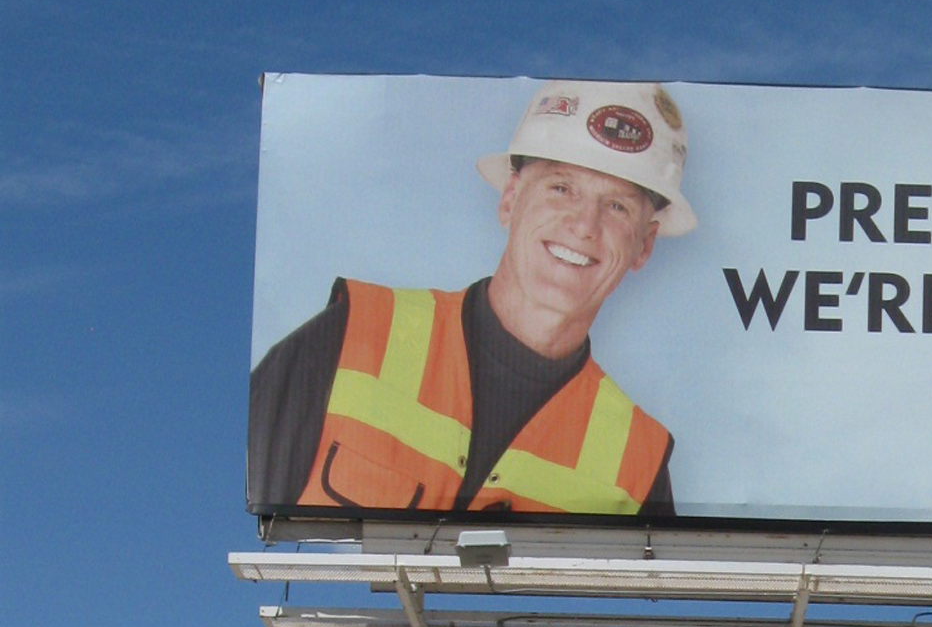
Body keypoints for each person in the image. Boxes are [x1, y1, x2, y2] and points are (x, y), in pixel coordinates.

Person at [248, 80, 697, 518]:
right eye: (562, 188)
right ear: (510, 199)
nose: (585, 225)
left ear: (644, 245)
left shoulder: (638, 464)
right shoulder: (352, 338)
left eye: (617, 206)